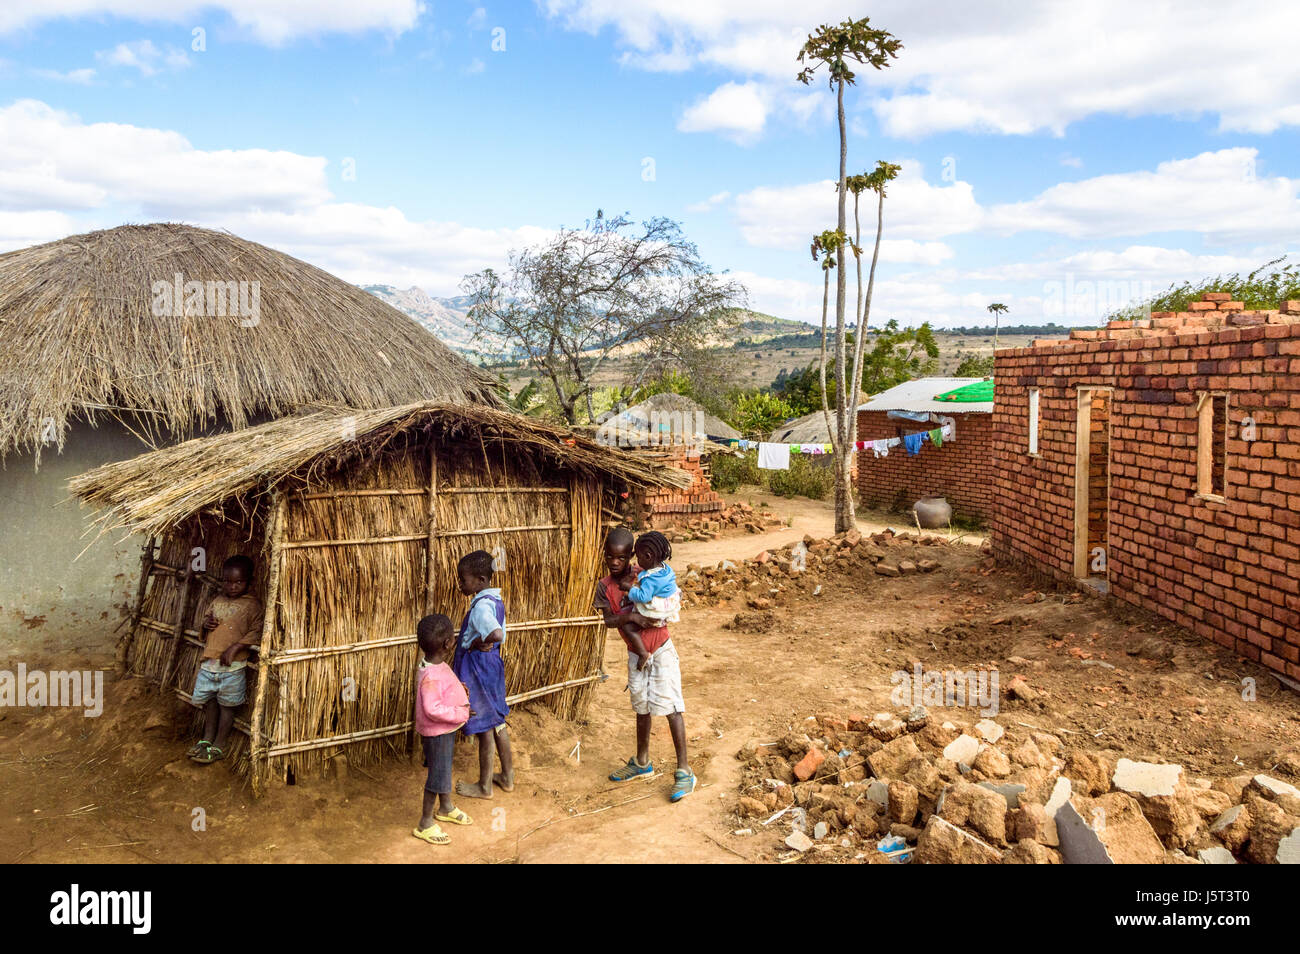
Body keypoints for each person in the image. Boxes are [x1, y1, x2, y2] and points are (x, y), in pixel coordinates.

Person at [595, 529, 694, 802]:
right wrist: (634, 621)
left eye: (621, 557)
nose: (615, 562)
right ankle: (641, 762)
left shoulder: (644, 573)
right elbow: (607, 620)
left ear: (631, 557)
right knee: (642, 707)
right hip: (635, 654)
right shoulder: (604, 586)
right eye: (609, 557)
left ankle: (684, 770)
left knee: (671, 706)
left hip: (661, 649)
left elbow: (669, 588)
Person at [452, 550, 514, 799]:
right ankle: (507, 778)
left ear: (479, 580)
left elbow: (496, 635)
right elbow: (502, 636)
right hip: (492, 666)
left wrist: (477, 642)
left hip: (479, 669)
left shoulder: (480, 608)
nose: (460, 584)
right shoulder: (495, 601)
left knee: (485, 728)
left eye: (463, 580)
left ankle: (484, 786)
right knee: (498, 722)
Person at [188, 555, 262, 764]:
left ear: (249, 581)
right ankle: (206, 739)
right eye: (228, 581)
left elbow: (257, 632)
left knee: (227, 706)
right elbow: (205, 621)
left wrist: (236, 647)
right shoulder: (218, 601)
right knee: (209, 703)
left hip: (232, 668)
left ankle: (220, 744)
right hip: (209, 665)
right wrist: (206, 625)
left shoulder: (252, 606)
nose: (232, 586)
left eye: (238, 582)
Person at [412, 614, 473, 845]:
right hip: (437, 733)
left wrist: (459, 693)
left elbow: (445, 689)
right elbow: (431, 707)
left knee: (443, 770)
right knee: (437, 776)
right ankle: (425, 823)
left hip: (443, 731)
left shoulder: (436, 665)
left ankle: (446, 807)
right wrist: (460, 713)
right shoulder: (431, 675)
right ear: (448, 643)